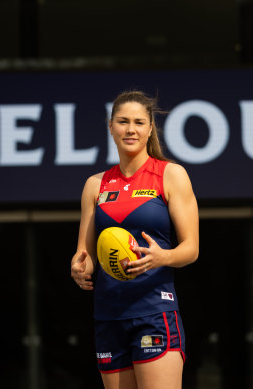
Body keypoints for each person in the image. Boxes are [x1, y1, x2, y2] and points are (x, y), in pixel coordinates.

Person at [70, 90, 199, 389]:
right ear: (111, 126)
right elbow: (85, 255)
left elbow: (191, 248)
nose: (131, 129)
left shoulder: (171, 175)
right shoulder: (94, 185)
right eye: (123, 121)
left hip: (154, 311)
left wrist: (162, 257)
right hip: (108, 315)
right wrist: (79, 268)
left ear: (150, 128)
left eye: (139, 122)